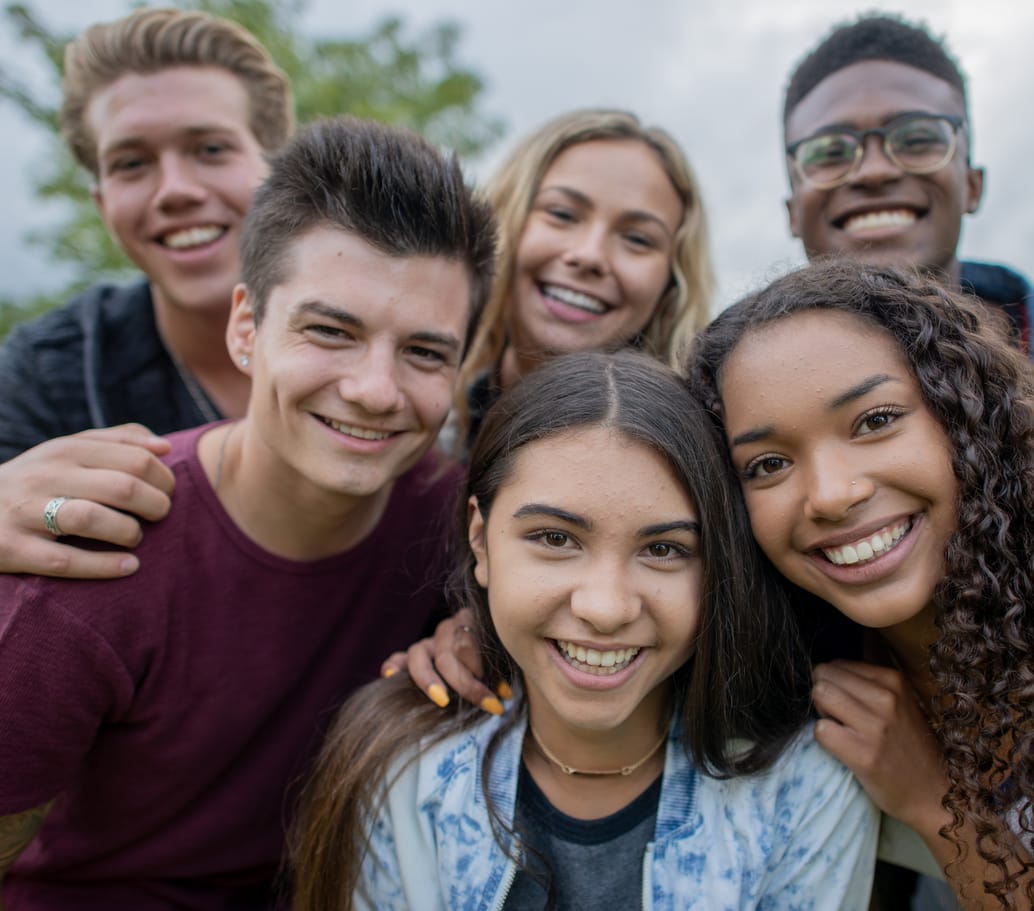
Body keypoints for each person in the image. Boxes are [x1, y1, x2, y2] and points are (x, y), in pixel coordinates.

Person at [0, 116, 496, 909]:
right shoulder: (95, 551)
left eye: (424, 352)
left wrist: (480, 629)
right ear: (246, 328)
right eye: (330, 331)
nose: (375, 389)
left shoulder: (455, 524)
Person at [292, 350, 879, 911]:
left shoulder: (801, 790)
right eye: (555, 539)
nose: (605, 607)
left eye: (664, 549)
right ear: (481, 541)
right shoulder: (402, 766)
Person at [684, 257, 1034, 909]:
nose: (831, 494)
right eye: (766, 464)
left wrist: (934, 800)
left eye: (874, 421)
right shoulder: (786, 675)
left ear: (969, 416)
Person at [0, 8, 294, 578]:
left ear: (280, 172)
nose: (175, 191)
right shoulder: (52, 372)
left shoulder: (394, 336)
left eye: (210, 149)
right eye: (132, 163)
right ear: (103, 204)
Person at [780, 13, 1034, 461]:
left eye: (917, 139)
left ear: (972, 184)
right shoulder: (729, 413)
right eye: (829, 152)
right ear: (793, 211)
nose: (874, 170)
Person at [455, 108, 713, 447]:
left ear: (672, 283)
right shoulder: (421, 430)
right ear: (504, 223)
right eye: (561, 214)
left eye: (637, 238)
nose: (590, 255)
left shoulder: (701, 459)